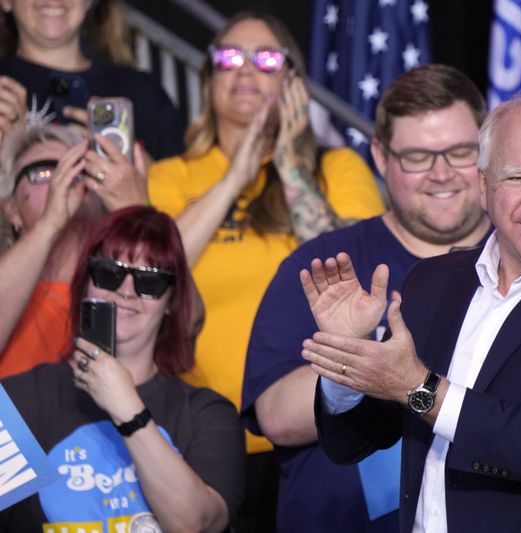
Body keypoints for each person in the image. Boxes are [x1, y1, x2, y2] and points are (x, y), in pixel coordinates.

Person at [299, 90, 521, 531]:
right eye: (515, 178)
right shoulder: (433, 282)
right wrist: (350, 357)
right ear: (483, 186)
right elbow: (352, 443)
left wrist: (418, 386)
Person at [147, 11, 385, 531]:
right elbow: (155, 271)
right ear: (210, 78)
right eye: (230, 57)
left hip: (318, 431)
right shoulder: (171, 176)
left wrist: (291, 167)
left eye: (268, 59)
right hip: (201, 437)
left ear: (293, 81)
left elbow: (361, 279)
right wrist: (237, 173)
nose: (246, 70)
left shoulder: (336, 169)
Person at [240, 63, 492, 532]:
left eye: (461, 152)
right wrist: (358, 358)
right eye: (418, 156)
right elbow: (274, 416)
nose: (442, 174)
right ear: (380, 157)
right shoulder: (322, 265)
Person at [0, 205, 245, 531]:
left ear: (172, 301)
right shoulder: (21, 400)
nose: (126, 291)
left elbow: (195, 525)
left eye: (149, 281)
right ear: (86, 282)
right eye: (109, 273)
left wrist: (127, 409)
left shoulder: (206, 413)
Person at [0, 120, 148, 377]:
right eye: (43, 173)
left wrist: (136, 213)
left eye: (79, 169)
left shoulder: (125, 284)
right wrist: (49, 224)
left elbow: (189, 323)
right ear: (11, 209)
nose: (63, 179)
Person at [0, 0, 184, 159]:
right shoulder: (4, 86)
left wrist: (119, 153)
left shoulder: (141, 91)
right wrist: (14, 145)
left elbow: (180, 192)